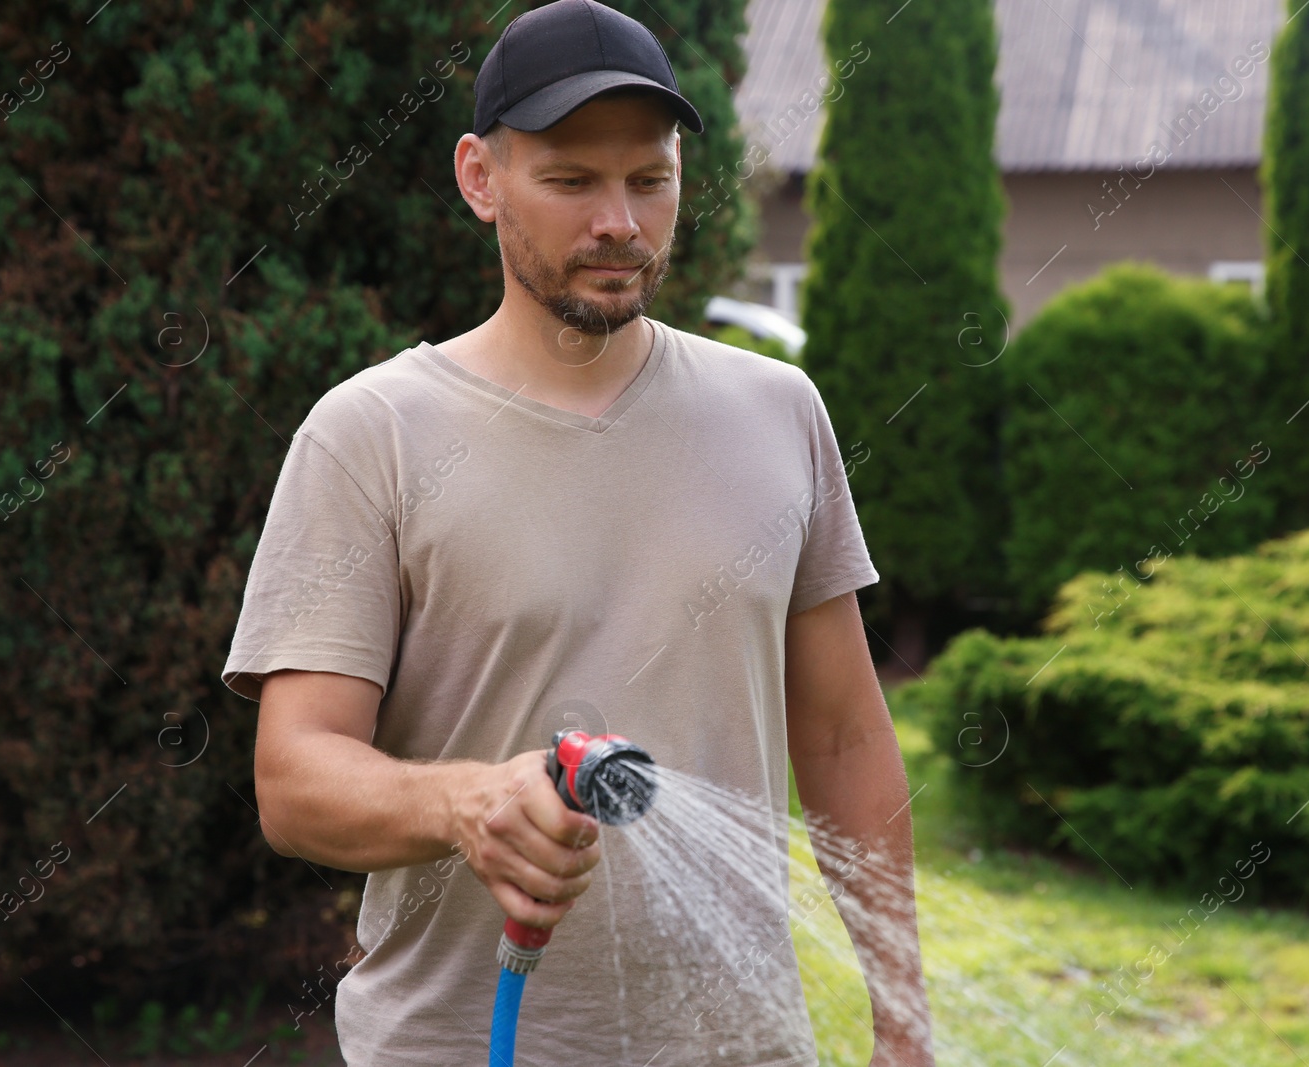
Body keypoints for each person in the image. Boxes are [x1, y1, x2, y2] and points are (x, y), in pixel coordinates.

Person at [221, 1, 933, 1063]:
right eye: (571, 181)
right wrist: (465, 800)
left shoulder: (778, 411)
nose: (621, 222)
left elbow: (842, 738)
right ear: (479, 177)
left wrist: (902, 1017)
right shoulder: (372, 433)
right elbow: (294, 777)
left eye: (650, 179)